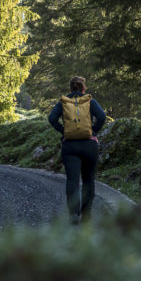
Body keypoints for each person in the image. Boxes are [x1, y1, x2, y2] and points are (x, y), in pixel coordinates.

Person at [48, 76, 107, 224]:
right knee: (88, 180)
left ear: (70, 89)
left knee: (72, 180)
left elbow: (52, 118)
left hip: (70, 145)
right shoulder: (89, 100)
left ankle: (74, 214)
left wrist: (64, 131)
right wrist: (93, 132)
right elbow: (102, 116)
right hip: (89, 145)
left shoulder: (64, 102)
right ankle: (86, 216)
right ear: (83, 88)